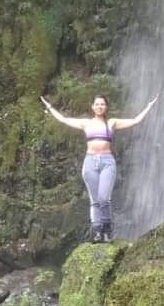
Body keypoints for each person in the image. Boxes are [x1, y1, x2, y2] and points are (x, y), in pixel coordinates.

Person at [40, 93, 157, 242]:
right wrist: (49, 106)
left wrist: (148, 107)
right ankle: (97, 231)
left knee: (104, 199)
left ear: (106, 107)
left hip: (107, 162)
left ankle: (107, 228)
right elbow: (63, 119)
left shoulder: (112, 123)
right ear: (92, 107)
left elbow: (134, 121)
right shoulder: (86, 123)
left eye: (102, 104)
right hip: (90, 162)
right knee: (94, 200)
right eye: (97, 104)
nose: (99, 106)